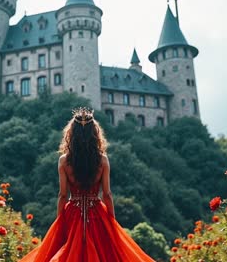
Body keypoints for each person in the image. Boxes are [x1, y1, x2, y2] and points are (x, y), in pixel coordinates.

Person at [19, 107, 155, 262]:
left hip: (72, 212)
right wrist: (111, 222)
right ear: (95, 133)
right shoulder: (102, 160)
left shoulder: (64, 160)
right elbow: (107, 194)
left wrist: (60, 221)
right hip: (97, 212)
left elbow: (63, 195)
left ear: (71, 133)